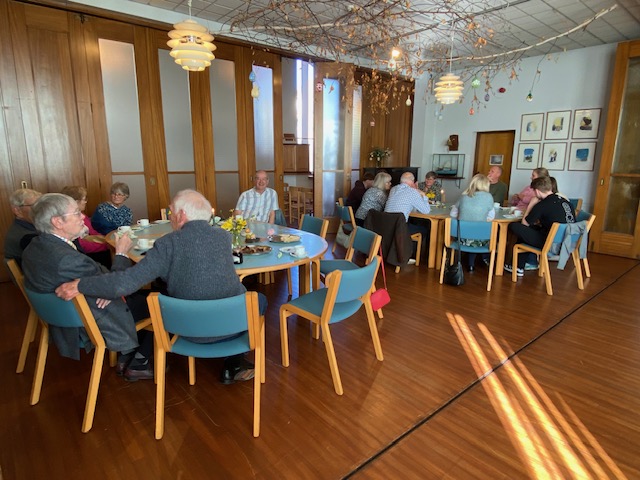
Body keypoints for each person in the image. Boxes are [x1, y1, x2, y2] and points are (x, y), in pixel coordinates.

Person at [57, 189, 265, 384]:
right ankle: (234, 362)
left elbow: (126, 282)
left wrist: (81, 284)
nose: (171, 217)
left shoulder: (167, 243)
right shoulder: (224, 237)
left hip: (185, 329)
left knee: (162, 294)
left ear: (181, 215)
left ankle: (143, 356)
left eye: (172, 212)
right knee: (258, 299)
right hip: (232, 326)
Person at [21, 193, 148, 379]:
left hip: (65, 315)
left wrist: (101, 287)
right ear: (57, 222)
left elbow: (107, 283)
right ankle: (140, 362)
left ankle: (127, 354)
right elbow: (118, 284)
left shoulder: (34, 247)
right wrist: (121, 253)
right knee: (160, 303)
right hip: (93, 320)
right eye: (76, 213)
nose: (83, 217)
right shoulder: (66, 259)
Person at [504, 176, 575, 277]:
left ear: (537, 191)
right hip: (569, 242)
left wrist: (531, 204)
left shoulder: (542, 204)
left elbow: (525, 223)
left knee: (515, 226)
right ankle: (518, 266)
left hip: (553, 244)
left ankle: (517, 266)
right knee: (530, 231)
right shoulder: (566, 202)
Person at [450, 174, 495, 271]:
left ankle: (471, 264)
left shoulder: (463, 196)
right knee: (482, 233)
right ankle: (484, 260)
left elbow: (452, 214)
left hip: (461, 239)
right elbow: (491, 217)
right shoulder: (488, 197)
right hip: (480, 240)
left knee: (471, 232)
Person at [384, 172, 431, 261]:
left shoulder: (393, 189)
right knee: (425, 229)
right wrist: (423, 195)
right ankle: (413, 256)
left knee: (411, 223)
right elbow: (426, 211)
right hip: (399, 229)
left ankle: (403, 252)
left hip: (387, 225)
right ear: (412, 182)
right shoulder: (412, 192)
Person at [61, 186, 112, 268]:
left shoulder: (82, 215)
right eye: (84, 199)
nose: (86, 202)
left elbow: (93, 232)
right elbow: (81, 245)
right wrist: (106, 246)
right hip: (86, 254)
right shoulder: (69, 222)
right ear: (76, 202)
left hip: (93, 246)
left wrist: (106, 240)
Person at [4, 188, 42, 266]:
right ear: (17, 211)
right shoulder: (26, 236)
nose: (41, 210)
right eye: (35, 206)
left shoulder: (27, 227)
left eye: (41, 205)